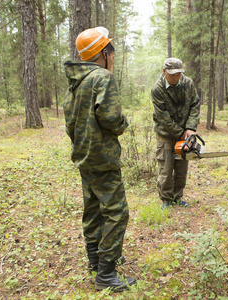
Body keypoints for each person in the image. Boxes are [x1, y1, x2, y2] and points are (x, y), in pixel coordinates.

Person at [63, 26, 136, 292]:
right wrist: (122, 124)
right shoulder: (102, 77)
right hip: (103, 157)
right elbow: (110, 117)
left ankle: (96, 261)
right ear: (104, 52)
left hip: (84, 155)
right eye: (112, 52)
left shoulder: (77, 81)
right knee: (117, 212)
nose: (114, 57)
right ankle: (106, 273)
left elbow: (69, 121)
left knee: (93, 210)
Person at [151, 58, 201, 209]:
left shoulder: (188, 84)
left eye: (178, 74)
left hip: (185, 131)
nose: (175, 77)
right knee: (166, 167)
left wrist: (191, 128)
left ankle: (177, 196)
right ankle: (166, 199)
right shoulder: (157, 89)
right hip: (165, 133)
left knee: (181, 167)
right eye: (172, 74)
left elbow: (195, 105)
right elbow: (163, 117)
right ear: (164, 72)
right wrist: (181, 133)